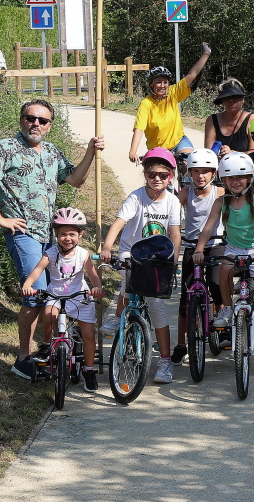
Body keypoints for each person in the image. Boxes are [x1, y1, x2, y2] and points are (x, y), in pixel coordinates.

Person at [0, 99, 103, 380]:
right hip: (24, 235)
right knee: (36, 297)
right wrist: (1, 218)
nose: (36, 124)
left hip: (51, 236)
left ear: (49, 126)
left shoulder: (52, 152)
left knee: (55, 294)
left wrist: (90, 152)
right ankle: (24, 359)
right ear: (21, 120)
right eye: (31, 118)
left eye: (43, 121)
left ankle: (53, 351)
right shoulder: (6, 148)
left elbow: (76, 179)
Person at [195, 152, 254, 375]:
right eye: (230, 179)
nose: (236, 182)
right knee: (225, 269)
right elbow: (209, 227)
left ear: (250, 178)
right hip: (233, 249)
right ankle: (228, 309)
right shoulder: (222, 202)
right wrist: (200, 249)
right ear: (223, 180)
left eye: (241, 177)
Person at [99, 147, 182, 385]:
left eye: (163, 175)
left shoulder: (173, 202)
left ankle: (165, 361)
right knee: (129, 282)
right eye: (151, 174)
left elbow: (175, 234)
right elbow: (119, 223)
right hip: (131, 252)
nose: (157, 179)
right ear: (144, 174)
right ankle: (118, 317)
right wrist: (107, 247)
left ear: (171, 176)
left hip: (157, 256)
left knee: (156, 306)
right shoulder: (136, 197)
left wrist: (173, 259)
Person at [20, 207, 104, 392]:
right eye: (63, 234)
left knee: (89, 335)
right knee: (48, 315)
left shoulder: (83, 254)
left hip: (79, 296)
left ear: (80, 235)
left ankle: (89, 370)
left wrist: (97, 287)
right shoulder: (50, 253)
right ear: (56, 234)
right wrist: (28, 284)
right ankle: (49, 347)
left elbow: (91, 272)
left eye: (72, 234)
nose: (67, 238)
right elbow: (37, 270)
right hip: (56, 294)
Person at [171, 148, 225, 364]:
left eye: (206, 171)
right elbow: (171, 210)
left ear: (214, 173)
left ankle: (221, 327)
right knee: (185, 297)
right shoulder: (186, 192)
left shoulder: (219, 192)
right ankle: (181, 344)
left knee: (216, 283)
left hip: (216, 244)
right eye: (196, 171)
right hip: (192, 246)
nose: (200, 176)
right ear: (189, 173)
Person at [128, 43, 212, 166]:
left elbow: (192, 75)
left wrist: (206, 54)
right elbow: (139, 129)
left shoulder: (173, 93)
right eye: (158, 82)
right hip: (158, 148)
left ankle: (185, 184)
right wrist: (132, 151)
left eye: (165, 82)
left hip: (179, 142)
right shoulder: (147, 103)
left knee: (189, 164)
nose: (162, 85)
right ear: (151, 84)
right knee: (160, 177)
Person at [204, 78, 254, 157]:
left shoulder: (252, 119)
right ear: (222, 101)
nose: (231, 100)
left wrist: (232, 153)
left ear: (243, 100)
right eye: (227, 98)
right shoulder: (212, 120)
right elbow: (208, 153)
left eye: (236, 97)